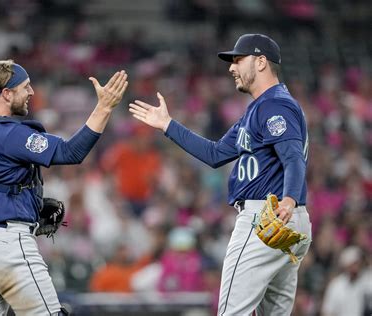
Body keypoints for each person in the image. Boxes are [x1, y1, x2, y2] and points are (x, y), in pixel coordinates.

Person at [129, 34, 312, 315]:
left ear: (261, 62)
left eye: (239, 59)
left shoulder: (274, 104)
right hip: (286, 221)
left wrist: (288, 199)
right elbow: (215, 154)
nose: (231, 67)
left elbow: (292, 156)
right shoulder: (260, 108)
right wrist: (167, 125)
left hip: (267, 217)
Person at [0, 59, 128, 315]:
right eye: (25, 87)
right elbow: (70, 152)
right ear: (6, 93)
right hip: (8, 244)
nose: (31, 92)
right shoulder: (9, 134)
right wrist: (104, 107)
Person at [321, 246, 372, 316]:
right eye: (354, 263)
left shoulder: (368, 280)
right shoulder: (336, 285)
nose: (357, 266)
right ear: (346, 265)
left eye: (359, 262)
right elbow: (327, 311)